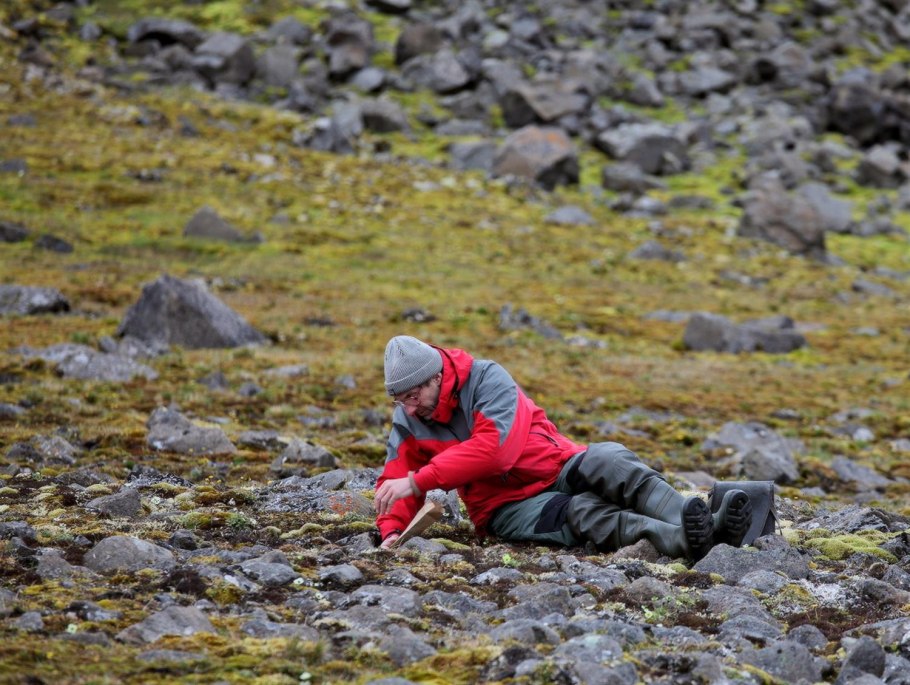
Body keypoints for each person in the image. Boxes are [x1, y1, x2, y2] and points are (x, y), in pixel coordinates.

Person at [374, 335, 752, 559]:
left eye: (412, 395)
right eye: (398, 400)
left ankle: (698, 519)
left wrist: (418, 481)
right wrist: (391, 530)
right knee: (585, 512)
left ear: (436, 377)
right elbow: (393, 478)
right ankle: (686, 540)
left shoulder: (486, 378)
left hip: (558, 464)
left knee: (610, 458)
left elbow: (495, 450)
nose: (407, 408)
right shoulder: (410, 419)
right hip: (505, 507)